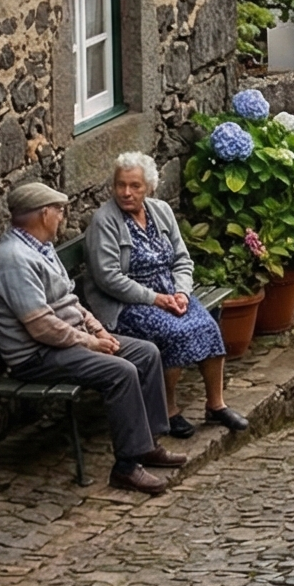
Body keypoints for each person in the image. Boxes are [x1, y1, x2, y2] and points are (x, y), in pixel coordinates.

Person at [0, 181, 189, 494]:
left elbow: (69, 300)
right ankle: (126, 467)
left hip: (68, 341)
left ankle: (147, 444)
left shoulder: (41, 247)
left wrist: (98, 329)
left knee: (146, 353)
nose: (62, 217)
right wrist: (92, 344)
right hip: (36, 356)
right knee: (120, 371)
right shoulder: (13, 259)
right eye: (58, 211)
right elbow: (41, 327)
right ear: (43, 214)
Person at [82, 151, 248, 439]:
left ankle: (215, 404)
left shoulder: (161, 211)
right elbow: (108, 278)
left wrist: (182, 292)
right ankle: (167, 410)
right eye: (120, 185)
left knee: (207, 325)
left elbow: (182, 260)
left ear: (149, 187)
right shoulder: (104, 221)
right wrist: (155, 299)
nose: (126, 192)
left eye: (135, 186)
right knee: (173, 333)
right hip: (126, 304)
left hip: (170, 294)